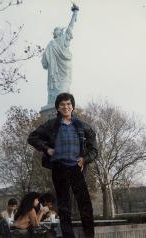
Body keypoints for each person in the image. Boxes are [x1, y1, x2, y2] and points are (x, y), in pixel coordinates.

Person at [28, 93, 98, 238]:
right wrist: (47, 149)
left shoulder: (82, 126)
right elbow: (32, 137)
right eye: (62, 105)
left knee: (85, 204)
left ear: (72, 107)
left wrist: (85, 159)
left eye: (68, 104)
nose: (65, 107)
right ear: (58, 108)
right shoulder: (51, 124)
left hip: (77, 167)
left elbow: (94, 150)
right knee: (64, 205)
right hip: (59, 167)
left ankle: (89, 235)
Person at [41, 4, 79, 106]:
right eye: (55, 31)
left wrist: (75, 13)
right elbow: (45, 61)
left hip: (61, 70)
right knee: (58, 90)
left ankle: (61, 105)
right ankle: (55, 104)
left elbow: (71, 26)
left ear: (59, 33)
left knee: (63, 90)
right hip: (59, 70)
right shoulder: (52, 43)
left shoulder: (59, 41)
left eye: (56, 30)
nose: (55, 31)